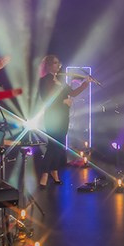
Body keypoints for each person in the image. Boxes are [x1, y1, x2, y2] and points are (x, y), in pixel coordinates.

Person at [36, 55, 93, 187]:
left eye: (58, 63)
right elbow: (47, 99)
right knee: (52, 144)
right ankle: (44, 173)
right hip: (52, 116)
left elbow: (72, 93)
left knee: (59, 145)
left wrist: (86, 83)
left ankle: (54, 171)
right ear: (49, 65)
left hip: (63, 116)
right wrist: (63, 102)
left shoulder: (61, 80)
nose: (58, 65)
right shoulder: (44, 80)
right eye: (55, 63)